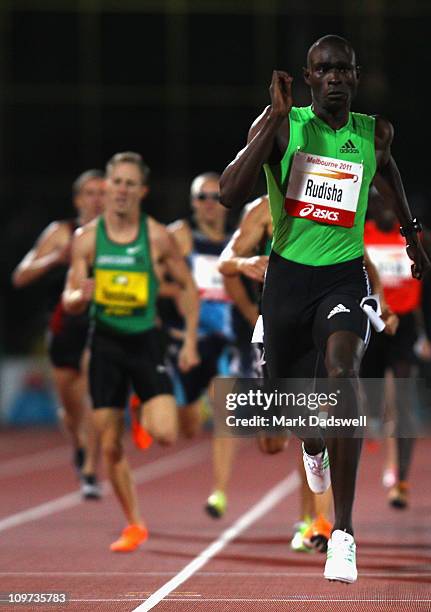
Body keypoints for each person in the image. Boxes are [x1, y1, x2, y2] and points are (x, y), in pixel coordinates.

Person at [219, 35, 430, 583]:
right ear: (309, 78)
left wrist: (411, 236)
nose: (335, 77)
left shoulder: (373, 132)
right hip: (287, 281)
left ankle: (343, 533)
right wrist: (274, 118)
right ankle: (312, 446)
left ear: (355, 77)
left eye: (344, 69)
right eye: (325, 70)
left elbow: (391, 175)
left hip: (342, 278)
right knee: (294, 416)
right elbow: (228, 191)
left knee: (343, 374)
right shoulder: (285, 127)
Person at [63, 152, 199, 552]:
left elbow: (188, 286)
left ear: (142, 191)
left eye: (128, 184)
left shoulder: (156, 236)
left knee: (167, 434)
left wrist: (189, 339)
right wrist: (77, 297)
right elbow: (71, 293)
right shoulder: (86, 239)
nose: (120, 190)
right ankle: (135, 523)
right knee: (108, 443)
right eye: (115, 182)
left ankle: (142, 405)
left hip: (145, 342)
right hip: (105, 343)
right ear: (107, 188)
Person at [219, 195, 333, 553]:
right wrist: (246, 262)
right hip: (272, 327)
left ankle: (317, 522)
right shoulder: (263, 208)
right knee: (271, 441)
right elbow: (226, 262)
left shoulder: (332, 193)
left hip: (317, 324)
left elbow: (357, 256)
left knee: (312, 422)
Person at [12, 169, 105, 499]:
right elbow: (20, 276)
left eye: (103, 192)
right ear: (79, 199)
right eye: (91, 193)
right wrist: (56, 257)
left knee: (95, 394)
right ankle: (80, 445)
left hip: (101, 324)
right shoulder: (60, 233)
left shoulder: (117, 235)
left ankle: (91, 470)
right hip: (63, 326)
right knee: (71, 407)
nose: (98, 199)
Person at [363, 187, 431, 508]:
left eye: (392, 204)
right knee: (372, 405)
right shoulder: (360, 235)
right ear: (372, 207)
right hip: (372, 324)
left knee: (402, 400)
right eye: (379, 204)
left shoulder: (417, 238)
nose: (386, 210)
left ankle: (400, 480)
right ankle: (375, 422)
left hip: (403, 329)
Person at [165, 172, 238, 518]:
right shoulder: (181, 237)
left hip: (225, 342)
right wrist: (181, 293)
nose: (209, 203)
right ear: (193, 203)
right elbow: (150, 278)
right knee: (187, 426)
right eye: (202, 197)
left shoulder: (239, 240)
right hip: (187, 341)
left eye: (215, 196)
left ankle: (218, 493)